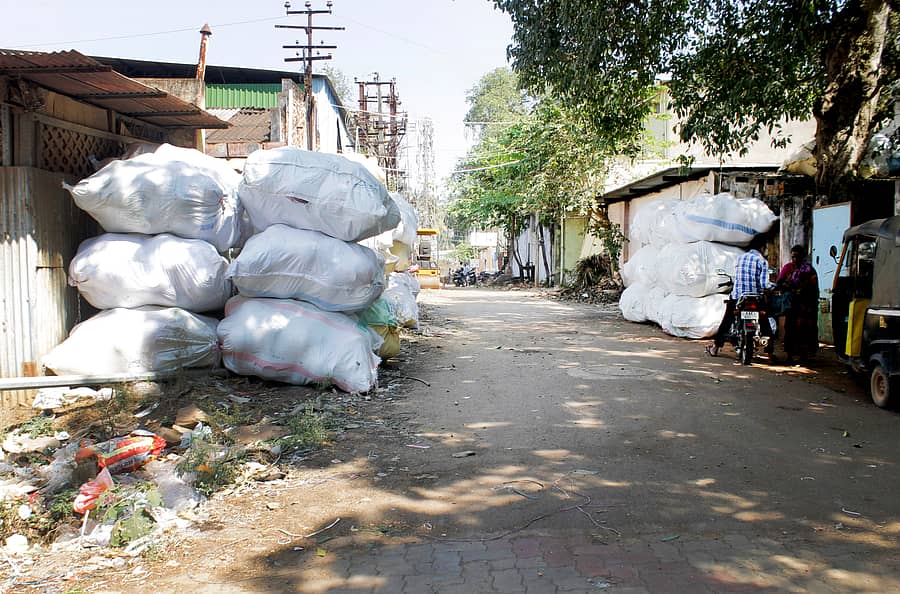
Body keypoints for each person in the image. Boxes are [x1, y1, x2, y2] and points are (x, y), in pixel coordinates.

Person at [706, 234, 774, 356]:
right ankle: (770, 353)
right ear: (762, 248)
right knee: (764, 321)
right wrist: (773, 287)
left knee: (727, 319)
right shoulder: (762, 261)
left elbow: (738, 277)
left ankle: (715, 347)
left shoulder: (740, 258)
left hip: (738, 297)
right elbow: (764, 285)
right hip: (755, 299)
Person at [777, 245, 819, 362]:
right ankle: (790, 355)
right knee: (790, 329)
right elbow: (779, 283)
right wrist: (787, 285)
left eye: (797, 257)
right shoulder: (788, 268)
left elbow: (814, 289)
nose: (795, 259)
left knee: (805, 331)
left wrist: (811, 305)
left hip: (806, 306)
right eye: (793, 257)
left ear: (802, 257)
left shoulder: (809, 270)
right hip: (792, 306)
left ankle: (804, 356)